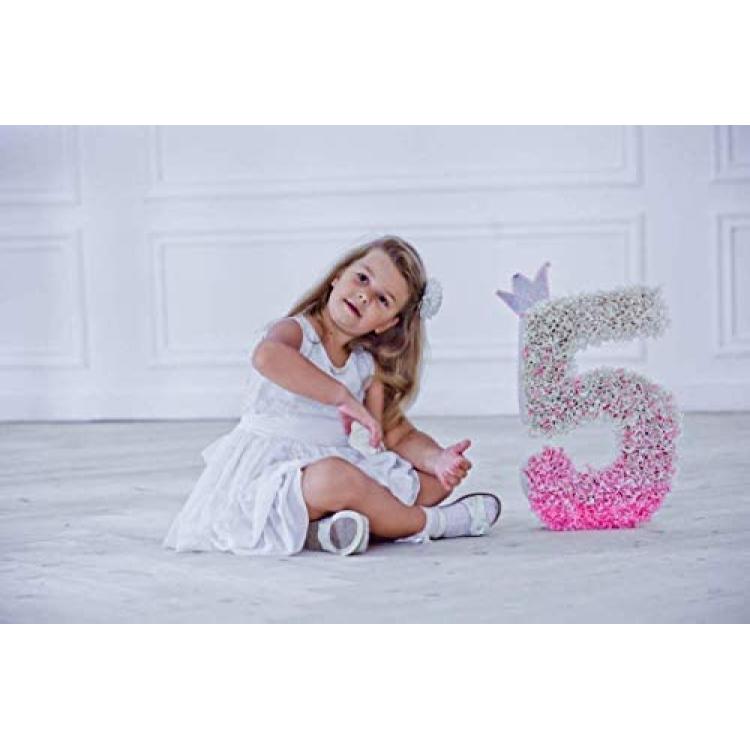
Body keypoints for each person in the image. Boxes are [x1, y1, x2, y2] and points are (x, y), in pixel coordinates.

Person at [162, 235, 501, 557]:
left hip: (334, 467)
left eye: (382, 299)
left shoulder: (364, 365)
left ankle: (324, 531)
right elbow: (267, 357)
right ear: (337, 277)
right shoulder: (296, 332)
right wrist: (340, 396)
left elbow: (396, 433)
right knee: (335, 478)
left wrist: (437, 459)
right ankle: (432, 523)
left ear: (386, 324)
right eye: (362, 278)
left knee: (433, 485)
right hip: (274, 470)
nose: (365, 296)